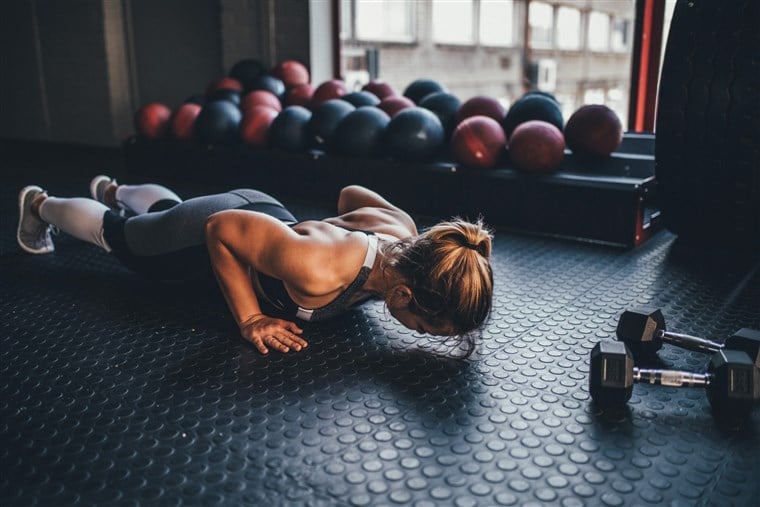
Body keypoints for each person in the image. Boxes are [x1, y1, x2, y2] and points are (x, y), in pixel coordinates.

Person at [17, 176, 494, 356]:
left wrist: (321, 227)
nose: (415, 334)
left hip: (267, 221)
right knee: (123, 242)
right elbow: (220, 230)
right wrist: (250, 318)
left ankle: (116, 191)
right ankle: (40, 205)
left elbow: (349, 193)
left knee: (166, 213)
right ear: (404, 296)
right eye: (422, 329)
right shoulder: (317, 270)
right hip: (222, 225)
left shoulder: (403, 232)